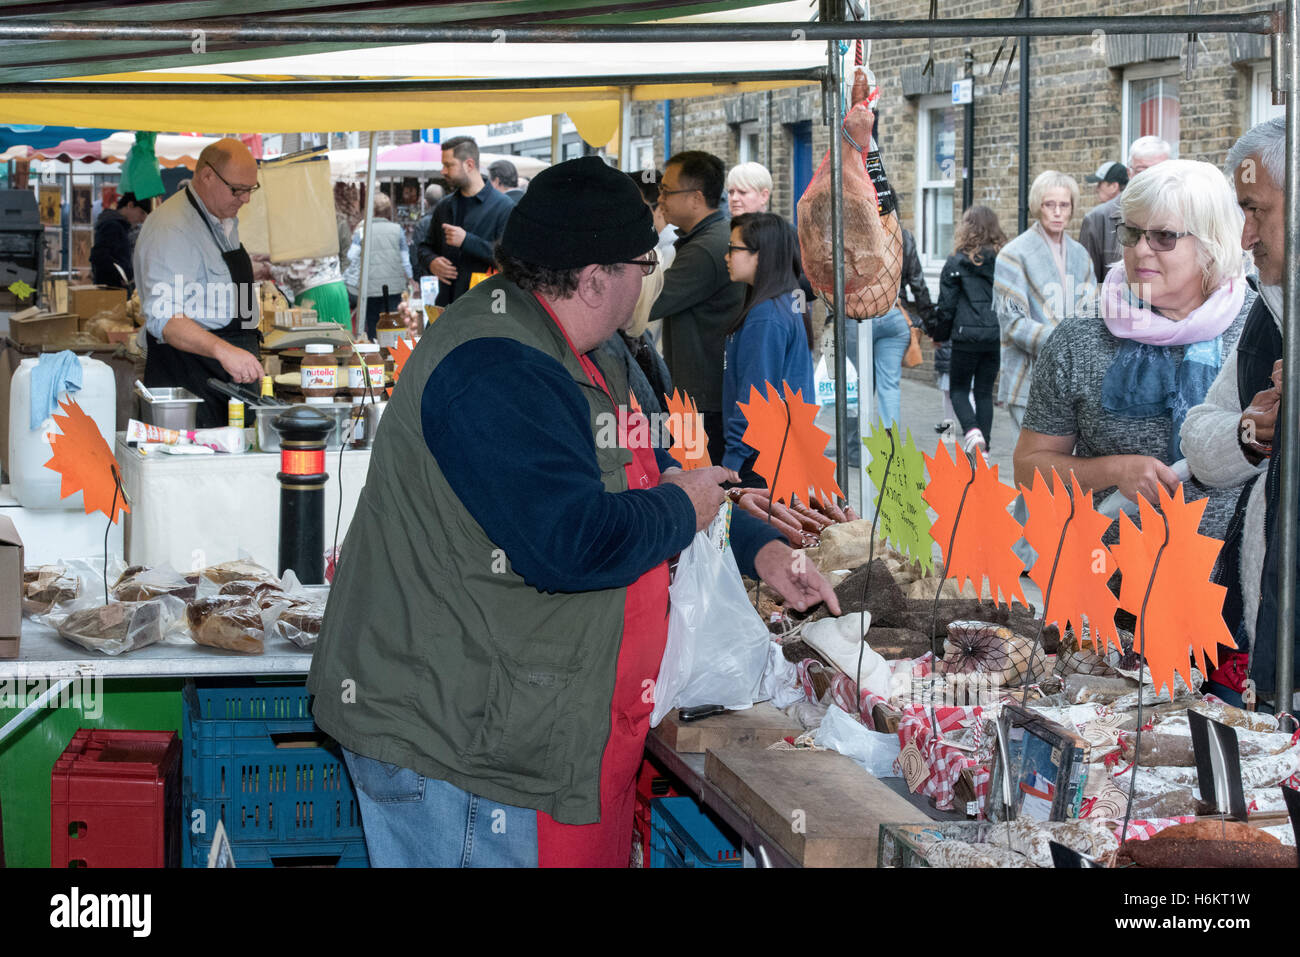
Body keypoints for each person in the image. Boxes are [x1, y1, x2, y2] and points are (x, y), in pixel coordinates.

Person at [307, 157, 839, 868]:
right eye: (642, 262)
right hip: (455, 740)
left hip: (520, 721)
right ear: (594, 278)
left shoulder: (590, 348)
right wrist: (682, 508)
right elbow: (570, 541)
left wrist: (755, 547)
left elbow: (654, 477)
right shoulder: (495, 365)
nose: (650, 277)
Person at [1014, 159, 1252, 553]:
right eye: (1132, 233)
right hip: (1102, 586)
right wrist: (1113, 470)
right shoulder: (1081, 336)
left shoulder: (1261, 333)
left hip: (1235, 593)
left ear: (1212, 243)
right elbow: (1028, 469)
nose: (1141, 249)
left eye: (1164, 236)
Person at [1180, 119, 1290, 706]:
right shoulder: (1269, 308)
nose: (1245, 237)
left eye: (1256, 211)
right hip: (1263, 620)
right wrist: (1252, 430)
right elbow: (1200, 435)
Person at [134, 138, 263, 428]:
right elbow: (165, 318)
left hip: (226, 380)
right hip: (190, 381)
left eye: (250, 189)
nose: (246, 199)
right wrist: (224, 350)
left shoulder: (220, 217)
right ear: (207, 175)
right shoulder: (172, 229)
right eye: (238, 190)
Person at [651, 150, 747, 466]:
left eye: (666, 190)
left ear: (695, 197)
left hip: (703, 401)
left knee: (702, 489)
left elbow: (648, 303)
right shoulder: (710, 237)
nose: (659, 198)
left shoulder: (706, 249)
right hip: (703, 395)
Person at [721, 212, 815, 485]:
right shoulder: (782, 301)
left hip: (762, 457)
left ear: (761, 254)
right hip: (778, 450)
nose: (727, 257)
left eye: (733, 249)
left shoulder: (766, 315)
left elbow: (756, 395)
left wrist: (733, 459)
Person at [935, 205, 1008, 455]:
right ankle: (983, 452)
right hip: (993, 336)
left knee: (958, 390)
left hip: (965, 337)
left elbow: (946, 306)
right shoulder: (1004, 261)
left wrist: (939, 335)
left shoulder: (956, 261)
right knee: (985, 393)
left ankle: (971, 432)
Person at [417, 136, 514, 307]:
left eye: (449, 165)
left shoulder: (504, 207)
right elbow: (425, 247)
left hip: (487, 309)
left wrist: (466, 241)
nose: (443, 171)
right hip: (447, 307)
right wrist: (432, 262)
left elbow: (511, 260)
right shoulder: (445, 206)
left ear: (469, 165)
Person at [1078, 137, 1172, 283]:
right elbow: (1084, 288)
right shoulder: (1098, 220)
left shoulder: (1181, 218)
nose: (1151, 179)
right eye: (1142, 171)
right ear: (1130, 173)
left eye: (1158, 171)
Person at [342, 191, 413, 340]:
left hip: (370, 286)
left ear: (371, 211)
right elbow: (405, 259)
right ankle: (393, 353)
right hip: (394, 286)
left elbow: (350, 256)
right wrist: (411, 279)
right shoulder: (397, 230)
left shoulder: (362, 232)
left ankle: (377, 353)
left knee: (374, 322)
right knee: (393, 320)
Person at [90, 192, 150, 288]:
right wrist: (122, 276)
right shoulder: (113, 226)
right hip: (111, 289)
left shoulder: (117, 225)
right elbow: (99, 256)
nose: (142, 219)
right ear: (130, 205)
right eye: (141, 213)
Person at [409, 183, 445, 279]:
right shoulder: (451, 219)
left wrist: (417, 276)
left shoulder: (423, 223)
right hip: (448, 273)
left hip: (427, 275)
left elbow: (415, 252)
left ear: (425, 202)